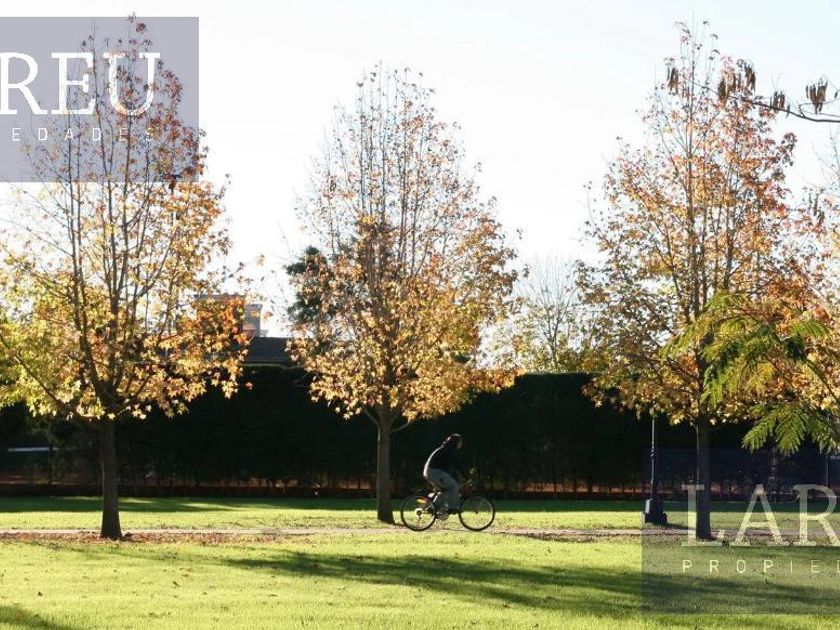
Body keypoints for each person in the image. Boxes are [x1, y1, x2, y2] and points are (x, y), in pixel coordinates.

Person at [423, 433, 467, 518]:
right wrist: (466, 476)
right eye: (460, 442)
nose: (461, 444)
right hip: (435, 472)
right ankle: (452, 507)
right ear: (456, 442)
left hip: (430, 471)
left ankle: (432, 508)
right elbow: (457, 465)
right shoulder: (450, 451)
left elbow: (450, 468)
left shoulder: (445, 449)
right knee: (454, 486)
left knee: (446, 490)